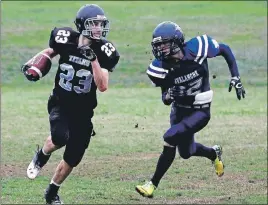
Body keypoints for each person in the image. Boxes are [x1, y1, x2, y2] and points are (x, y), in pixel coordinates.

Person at [21, 4, 120, 204]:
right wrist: (35, 63)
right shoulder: (65, 38)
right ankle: (41, 155)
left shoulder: (104, 50)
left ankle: (51, 193)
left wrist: (93, 60)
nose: (99, 29)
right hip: (61, 102)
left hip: (84, 111)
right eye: (95, 24)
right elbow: (50, 51)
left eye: (101, 24)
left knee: (73, 157)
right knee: (59, 137)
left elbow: (103, 86)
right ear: (83, 25)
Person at [135, 21, 245, 198]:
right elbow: (165, 98)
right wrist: (170, 95)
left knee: (170, 136)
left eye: (164, 44)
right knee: (186, 152)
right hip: (179, 111)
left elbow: (224, 49)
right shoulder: (159, 67)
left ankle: (151, 184)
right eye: (158, 45)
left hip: (200, 110)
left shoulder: (198, 48)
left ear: (177, 41)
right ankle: (213, 153)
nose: (161, 49)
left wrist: (235, 76)